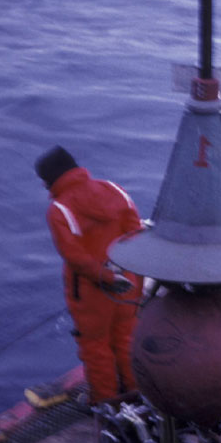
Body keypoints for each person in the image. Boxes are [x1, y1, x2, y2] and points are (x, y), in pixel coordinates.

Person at [35, 145, 143, 405]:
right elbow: (135, 233)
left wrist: (105, 277)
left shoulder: (59, 210)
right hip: (128, 283)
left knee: (96, 347)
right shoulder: (114, 190)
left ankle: (106, 405)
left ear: (51, 178)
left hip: (92, 293)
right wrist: (122, 275)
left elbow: (75, 257)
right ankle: (137, 393)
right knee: (127, 336)